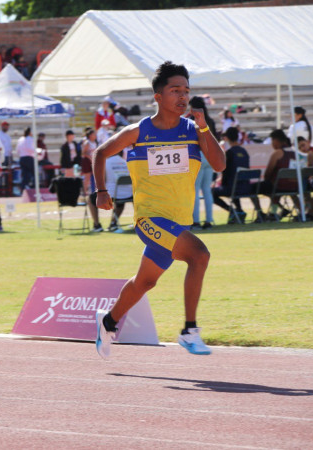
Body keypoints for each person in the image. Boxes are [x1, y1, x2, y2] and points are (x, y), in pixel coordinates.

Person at [93, 61, 226, 359]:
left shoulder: (194, 130)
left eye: (186, 91)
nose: (182, 96)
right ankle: (189, 330)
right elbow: (100, 152)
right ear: (158, 97)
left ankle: (109, 321)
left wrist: (204, 126)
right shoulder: (138, 131)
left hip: (178, 222)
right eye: (175, 90)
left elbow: (219, 165)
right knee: (200, 256)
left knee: (145, 281)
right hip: (149, 219)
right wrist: (101, 191)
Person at [212, 127, 258, 223]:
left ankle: (233, 211)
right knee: (235, 183)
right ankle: (239, 210)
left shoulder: (229, 153)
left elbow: (225, 173)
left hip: (233, 188)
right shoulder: (244, 152)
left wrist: (221, 184)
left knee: (211, 193)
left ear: (227, 138)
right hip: (246, 188)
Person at [188, 96, 218, 229]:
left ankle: (196, 221)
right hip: (209, 156)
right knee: (207, 190)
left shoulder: (191, 120)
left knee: (195, 190)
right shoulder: (209, 120)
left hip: (198, 156)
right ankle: (209, 220)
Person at [258, 130, 296, 219]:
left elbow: (268, 172)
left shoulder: (278, 153)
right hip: (295, 185)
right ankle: (275, 212)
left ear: (275, 140)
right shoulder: (295, 152)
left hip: (279, 186)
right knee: (272, 192)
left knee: (253, 188)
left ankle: (261, 213)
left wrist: (267, 180)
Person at [104, 151, 132, 231]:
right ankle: (113, 223)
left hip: (112, 194)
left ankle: (96, 225)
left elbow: (103, 180)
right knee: (120, 202)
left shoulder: (106, 162)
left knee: (90, 199)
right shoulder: (125, 162)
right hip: (128, 194)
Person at [80, 127, 97, 191]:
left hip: (92, 161)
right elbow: (83, 153)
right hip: (87, 161)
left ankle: (93, 191)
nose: (95, 136)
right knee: (87, 177)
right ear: (90, 135)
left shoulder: (94, 142)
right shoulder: (87, 142)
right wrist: (90, 158)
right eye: (94, 134)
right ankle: (85, 192)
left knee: (94, 177)